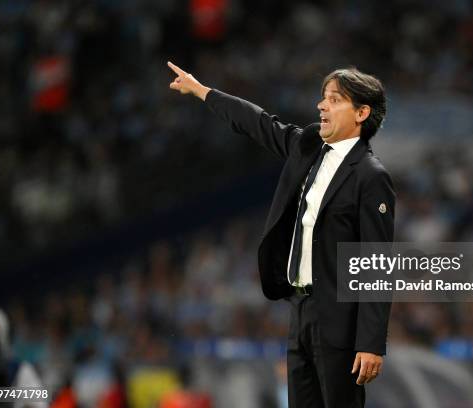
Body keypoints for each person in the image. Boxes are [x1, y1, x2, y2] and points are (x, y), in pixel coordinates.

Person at [167, 61, 395, 408]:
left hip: (339, 319)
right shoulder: (308, 148)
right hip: (299, 309)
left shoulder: (370, 176)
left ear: (362, 112)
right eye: (323, 97)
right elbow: (259, 123)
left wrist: (371, 343)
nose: (322, 105)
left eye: (334, 100)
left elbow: (378, 265)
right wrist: (203, 91)